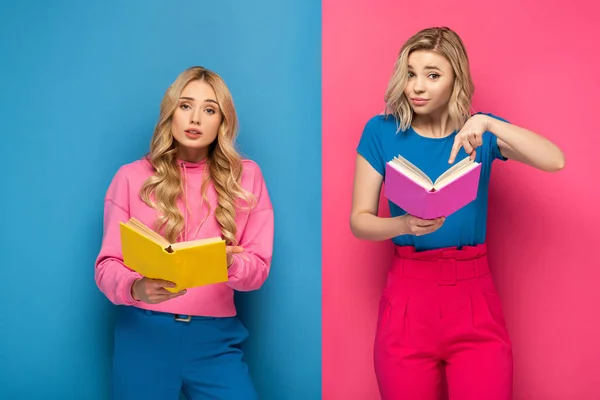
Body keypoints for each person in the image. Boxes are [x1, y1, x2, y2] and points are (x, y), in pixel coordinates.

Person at [350, 27, 564, 400]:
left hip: (474, 298)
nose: (417, 86)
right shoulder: (380, 132)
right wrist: (403, 224)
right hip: (407, 301)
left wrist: (490, 123)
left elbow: (555, 160)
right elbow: (359, 220)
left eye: (433, 75)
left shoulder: (478, 134)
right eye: (411, 73)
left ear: (456, 80)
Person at [94, 66, 274, 400]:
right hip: (144, 335)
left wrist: (229, 264)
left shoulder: (247, 178)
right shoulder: (131, 177)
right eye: (185, 105)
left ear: (222, 121)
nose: (196, 119)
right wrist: (135, 287)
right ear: (170, 112)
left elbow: (258, 269)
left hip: (216, 340)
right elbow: (106, 266)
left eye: (209, 110)